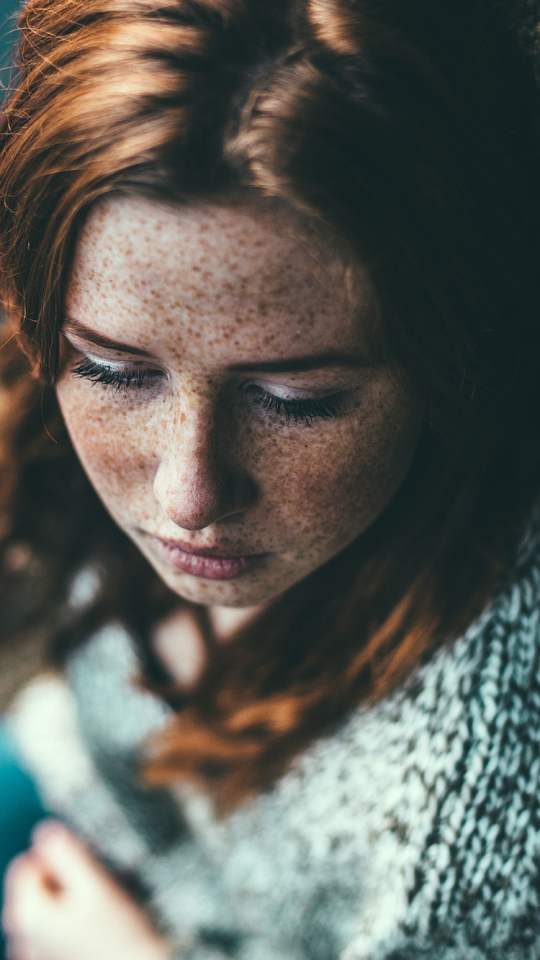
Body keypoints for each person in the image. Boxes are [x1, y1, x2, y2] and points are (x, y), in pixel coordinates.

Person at [0, 0, 539, 957]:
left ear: (456, 357)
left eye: (294, 399)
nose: (188, 495)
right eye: (116, 371)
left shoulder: (476, 796)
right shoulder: (32, 370)